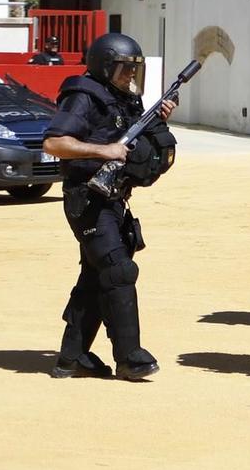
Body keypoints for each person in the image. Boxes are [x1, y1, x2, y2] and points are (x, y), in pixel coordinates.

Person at [42, 33, 174, 380]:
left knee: (95, 278)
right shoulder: (83, 97)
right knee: (118, 271)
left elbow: (134, 139)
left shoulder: (121, 99)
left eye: (133, 71)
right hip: (87, 200)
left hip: (113, 199)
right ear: (104, 67)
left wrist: (159, 118)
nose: (129, 77)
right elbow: (55, 142)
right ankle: (130, 357)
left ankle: (71, 357)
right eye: (123, 70)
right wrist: (103, 151)